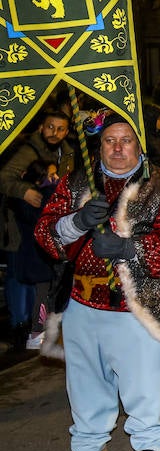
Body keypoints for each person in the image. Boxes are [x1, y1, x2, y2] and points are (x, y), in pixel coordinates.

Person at [34, 111, 160, 451]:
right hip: (81, 304)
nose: (118, 148)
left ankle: (151, 444)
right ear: (100, 144)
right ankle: (88, 448)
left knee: (143, 381)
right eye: (110, 140)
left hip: (135, 305)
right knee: (85, 382)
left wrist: (128, 248)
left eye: (126, 140)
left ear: (139, 145)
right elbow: (44, 232)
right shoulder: (78, 181)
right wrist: (75, 223)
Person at [1, 107, 75, 349]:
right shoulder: (27, 151)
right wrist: (25, 190)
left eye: (60, 129)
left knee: (44, 276)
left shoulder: (67, 152)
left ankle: (39, 322)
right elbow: (4, 177)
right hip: (20, 221)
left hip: (49, 223)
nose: (54, 133)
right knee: (18, 272)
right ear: (42, 127)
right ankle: (19, 324)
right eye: (50, 127)